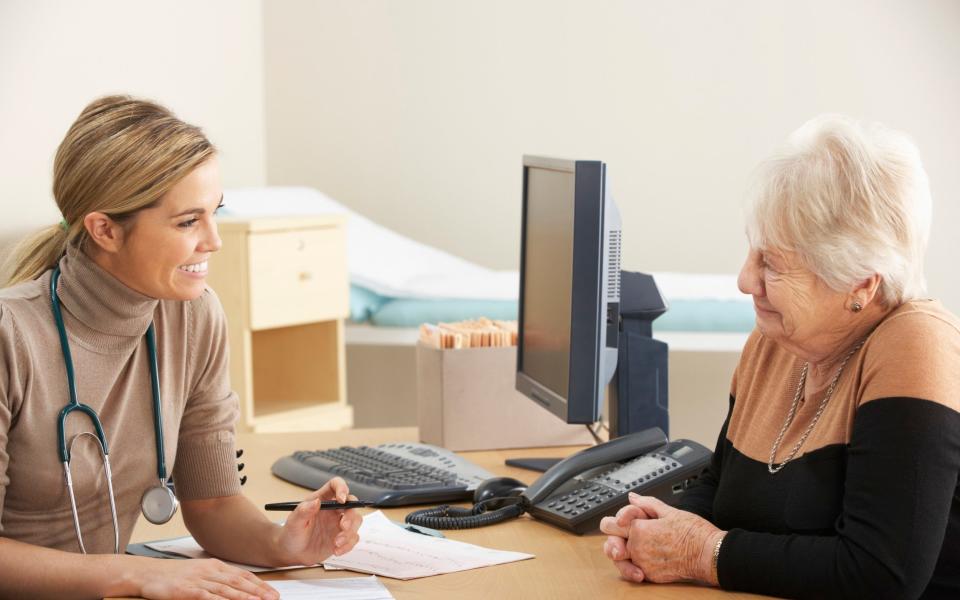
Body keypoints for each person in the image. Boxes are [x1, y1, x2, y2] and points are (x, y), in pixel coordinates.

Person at [0, 96, 362, 599]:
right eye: (188, 222)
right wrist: (136, 573)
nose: (213, 240)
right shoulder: (10, 336)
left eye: (215, 213)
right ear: (104, 229)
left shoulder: (193, 317)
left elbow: (212, 504)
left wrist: (285, 545)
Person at [600, 116, 959, 599]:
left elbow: (882, 574)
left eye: (772, 263)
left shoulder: (916, 343)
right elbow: (721, 480)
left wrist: (702, 553)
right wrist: (660, 527)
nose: (746, 280)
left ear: (860, 283)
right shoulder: (779, 339)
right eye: (753, 252)